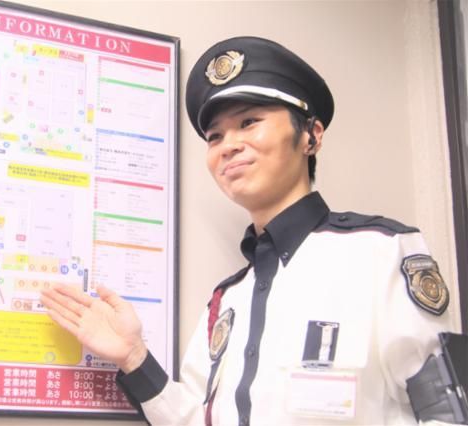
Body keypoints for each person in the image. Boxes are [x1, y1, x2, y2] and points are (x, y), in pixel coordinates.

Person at [40, 36, 458, 425]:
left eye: (249, 122)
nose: (228, 145)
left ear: (311, 136)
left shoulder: (380, 252)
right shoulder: (227, 300)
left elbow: (448, 411)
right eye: (215, 136)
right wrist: (133, 356)